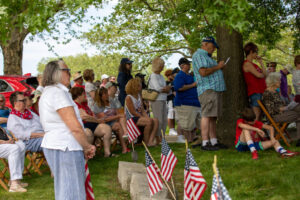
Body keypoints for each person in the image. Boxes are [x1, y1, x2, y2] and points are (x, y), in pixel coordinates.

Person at [39, 60, 96, 200]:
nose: (70, 73)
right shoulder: (57, 93)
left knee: (66, 190)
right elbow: (74, 127)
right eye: (67, 70)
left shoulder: (51, 92)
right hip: (65, 147)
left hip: (59, 145)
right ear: (56, 73)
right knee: (72, 192)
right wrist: (87, 146)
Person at [192, 36, 227, 151]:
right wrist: (218, 67)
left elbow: (210, 70)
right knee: (206, 115)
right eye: (213, 46)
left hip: (214, 89)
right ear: (206, 44)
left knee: (212, 116)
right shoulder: (199, 55)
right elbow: (203, 72)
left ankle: (213, 141)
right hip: (208, 90)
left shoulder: (207, 57)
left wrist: (218, 68)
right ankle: (205, 142)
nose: (214, 49)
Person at [70, 87, 122, 156]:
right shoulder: (75, 105)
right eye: (83, 94)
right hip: (83, 125)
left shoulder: (84, 104)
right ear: (78, 96)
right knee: (89, 133)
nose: (85, 96)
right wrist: (97, 120)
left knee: (107, 129)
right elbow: (85, 117)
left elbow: (90, 115)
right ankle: (86, 155)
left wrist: (95, 119)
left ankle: (107, 153)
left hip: (92, 123)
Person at [262, 72, 300, 147]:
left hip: (283, 113)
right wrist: (283, 108)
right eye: (279, 80)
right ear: (273, 81)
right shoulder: (267, 93)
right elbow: (271, 110)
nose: (280, 82)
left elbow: (280, 105)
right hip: (276, 116)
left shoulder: (275, 92)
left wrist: (288, 106)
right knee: (299, 114)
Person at [174, 58, 201, 143]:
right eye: (187, 64)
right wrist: (193, 85)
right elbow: (179, 88)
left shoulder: (190, 75)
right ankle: (188, 140)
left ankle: (193, 138)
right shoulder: (180, 75)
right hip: (185, 102)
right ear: (182, 65)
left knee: (193, 123)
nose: (189, 65)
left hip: (194, 102)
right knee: (187, 124)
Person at [125, 78, 158, 146]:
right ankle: (145, 142)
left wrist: (147, 117)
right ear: (135, 86)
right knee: (148, 122)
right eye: (139, 85)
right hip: (131, 118)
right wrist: (146, 119)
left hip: (139, 117)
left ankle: (150, 141)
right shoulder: (129, 97)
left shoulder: (139, 96)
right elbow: (133, 112)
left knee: (155, 121)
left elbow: (142, 110)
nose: (141, 86)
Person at [242, 42, 267, 121]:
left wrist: (261, 62)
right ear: (251, 52)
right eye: (256, 51)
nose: (257, 54)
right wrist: (262, 74)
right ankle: (254, 132)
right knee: (256, 114)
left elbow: (265, 74)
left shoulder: (254, 64)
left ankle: (258, 132)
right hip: (255, 92)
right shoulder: (247, 64)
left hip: (261, 91)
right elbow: (259, 75)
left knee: (260, 115)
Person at [149, 57, 171, 143]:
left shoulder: (161, 76)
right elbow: (157, 88)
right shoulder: (153, 76)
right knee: (159, 120)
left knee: (164, 120)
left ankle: (162, 136)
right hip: (156, 100)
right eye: (161, 65)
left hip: (163, 99)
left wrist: (166, 89)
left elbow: (164, 89)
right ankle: (157, 137)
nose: (162, 66)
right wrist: (166, 88)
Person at [164, 69, 177, 136]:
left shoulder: (175, 82)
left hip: (175, 99)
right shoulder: (166, 83)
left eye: (171, 74)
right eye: (168, 75)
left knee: (173, 115)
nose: (170, 76)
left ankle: (173, 129)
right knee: (170, 113)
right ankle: (171, 129)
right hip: (169, 100)